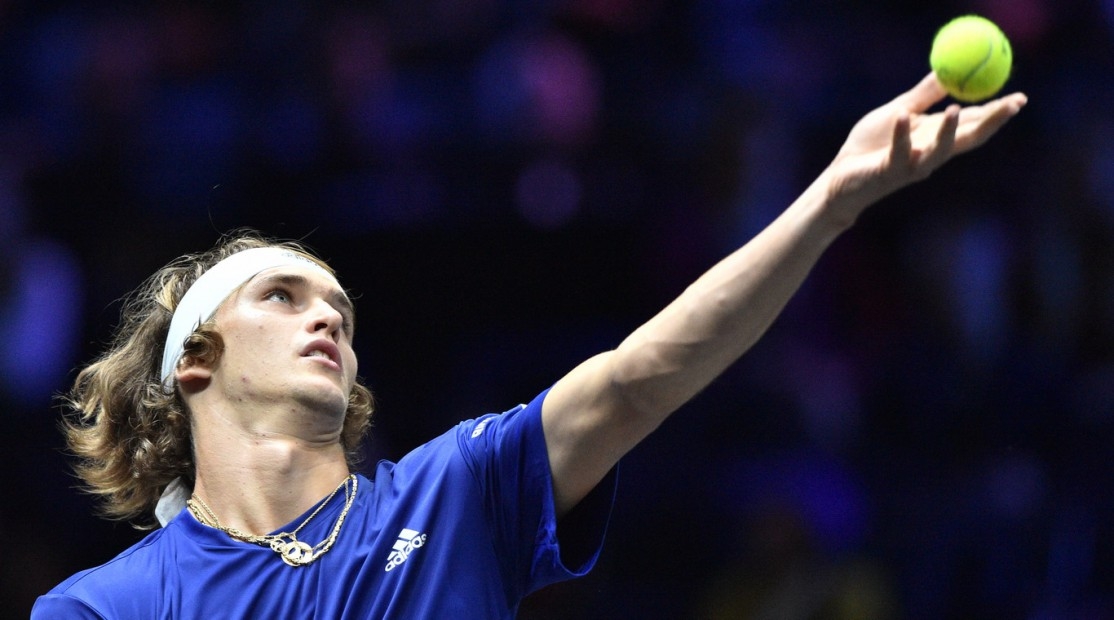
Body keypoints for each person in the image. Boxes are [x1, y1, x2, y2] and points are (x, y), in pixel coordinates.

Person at [32, 74, 1026, 618]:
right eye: (282, 297)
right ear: (195, 363)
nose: (326, 317)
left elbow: (639, 377)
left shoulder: (454, 490)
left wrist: (830, 203)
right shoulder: (105, 607)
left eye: (337, 305)